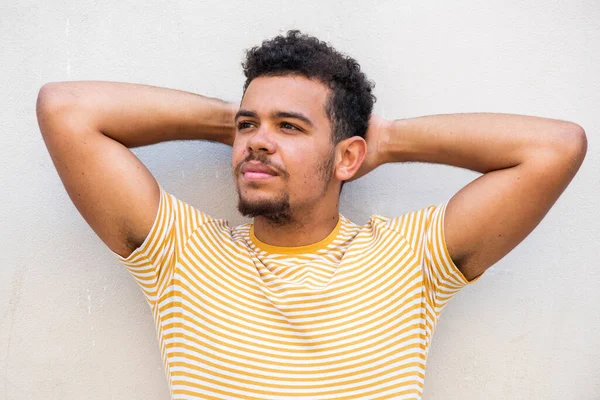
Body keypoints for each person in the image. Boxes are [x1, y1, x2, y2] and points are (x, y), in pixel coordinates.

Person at [36, 30, 586, 399]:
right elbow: (66, 109)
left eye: (290, 127)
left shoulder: (411, 255)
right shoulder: (180, 251)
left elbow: (554, 147)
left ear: (347, 156)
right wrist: (246, 120)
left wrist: (383, 140)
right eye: (247, 127)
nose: (256, 143)